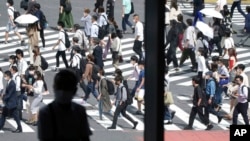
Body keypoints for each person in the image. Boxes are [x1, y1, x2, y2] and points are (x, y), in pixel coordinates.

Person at [38, 69, 92, 140]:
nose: (63, 92)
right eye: (60, 87)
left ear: (54, 88)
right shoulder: (79, 111)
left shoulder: (45, 112)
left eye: (67, 88)